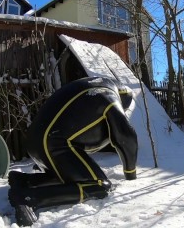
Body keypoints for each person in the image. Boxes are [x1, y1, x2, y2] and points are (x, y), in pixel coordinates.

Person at [8, 77, 138, 226]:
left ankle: (24, 180)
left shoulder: (91, 85)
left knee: (70, 175)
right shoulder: (109, 95)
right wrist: (130, 174)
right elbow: (127, 136)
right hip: (54, 141)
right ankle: (29, 198)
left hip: (36, 140)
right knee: (99, 185)